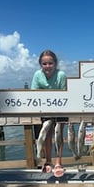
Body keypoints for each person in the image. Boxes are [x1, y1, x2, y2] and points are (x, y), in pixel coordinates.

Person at [31, 49, 67, 177]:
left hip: (60, 110)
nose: (47, 66)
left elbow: (65, 93)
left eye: (50, 63)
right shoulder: (37, 75)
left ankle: (58, 162)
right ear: (40, 65)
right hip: (44, 110)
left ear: (56, 64)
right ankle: (48, 161)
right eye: (44, 64)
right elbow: (33, 92)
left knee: (58, 135)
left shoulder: (61, 75)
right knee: (45, 135)